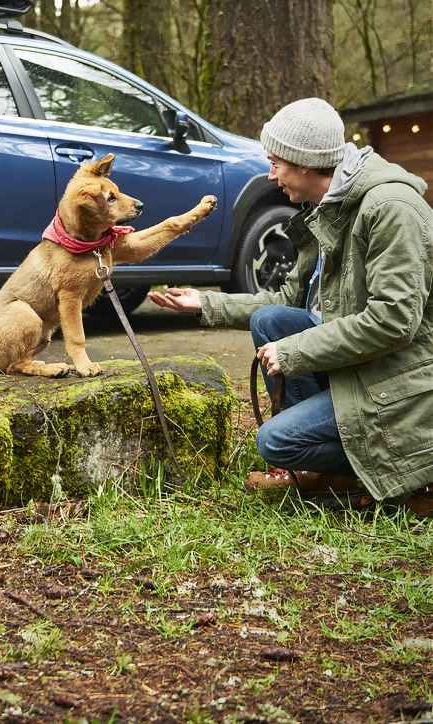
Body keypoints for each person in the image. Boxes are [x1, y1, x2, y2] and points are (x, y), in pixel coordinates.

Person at [149, 97, 433, 514]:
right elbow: (286, 302)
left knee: (276, 441)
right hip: (360, 366)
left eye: (276, 162)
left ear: (304, 163)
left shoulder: (390, 209)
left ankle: (414, 473)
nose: (271, 174)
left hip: (401, 379)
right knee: (272, 320)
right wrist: (205, 304)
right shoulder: (327, 209)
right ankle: (323, 469)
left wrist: (295, 352)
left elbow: (393, 321)